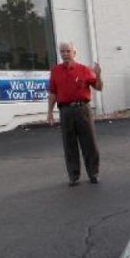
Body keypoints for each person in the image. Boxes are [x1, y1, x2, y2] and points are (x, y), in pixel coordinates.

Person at [47, 41, 103, 186]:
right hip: (65, 111)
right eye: (62, 51)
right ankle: (74, 176)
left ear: (74, 53)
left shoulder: (84, 69)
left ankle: (93, 173)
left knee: (89, 143)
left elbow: (98, 87)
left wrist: (98, 75)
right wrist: (50, 113)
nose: (65, 54)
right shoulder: (55, 71)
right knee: (69, 144)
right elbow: (53, 93)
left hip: (82, 109)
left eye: (68, 51)